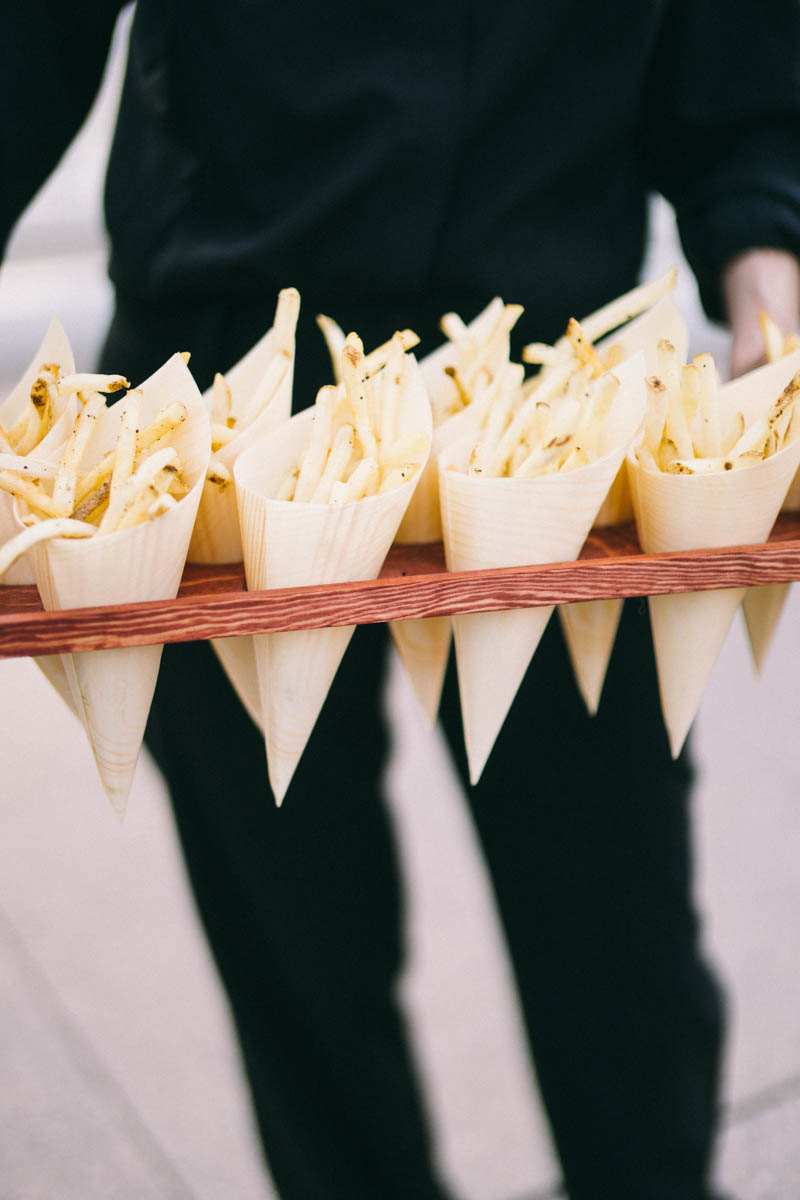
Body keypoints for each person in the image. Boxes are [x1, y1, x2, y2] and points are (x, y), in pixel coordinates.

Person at [4, 3, 800, 1197]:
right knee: (298, 948)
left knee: (616, 940)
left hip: (550, 401)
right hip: (221, 384)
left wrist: (769, 303)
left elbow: (740, 87)